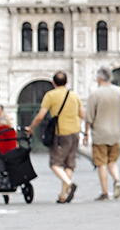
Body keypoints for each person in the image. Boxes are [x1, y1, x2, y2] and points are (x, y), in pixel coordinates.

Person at [27, 72, 84, 203]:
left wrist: (31, 127)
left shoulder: (50, 95)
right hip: (74, 132)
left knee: (55, 163)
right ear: (67, 81)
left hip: (60, 133)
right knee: (69, 164)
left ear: (53, 83)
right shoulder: (74, 95)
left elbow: (41, 116)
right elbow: (82, 113)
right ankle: (63, 195)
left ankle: (69, 184)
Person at [84, 67, 120, 200]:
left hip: (100, 134)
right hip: (116, 132)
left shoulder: (95, 94)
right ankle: (117, 180)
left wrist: (86, 133)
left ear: (99, 79)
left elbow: (89, 117)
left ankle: (104, 192)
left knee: (101, 163)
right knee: (112, 161)